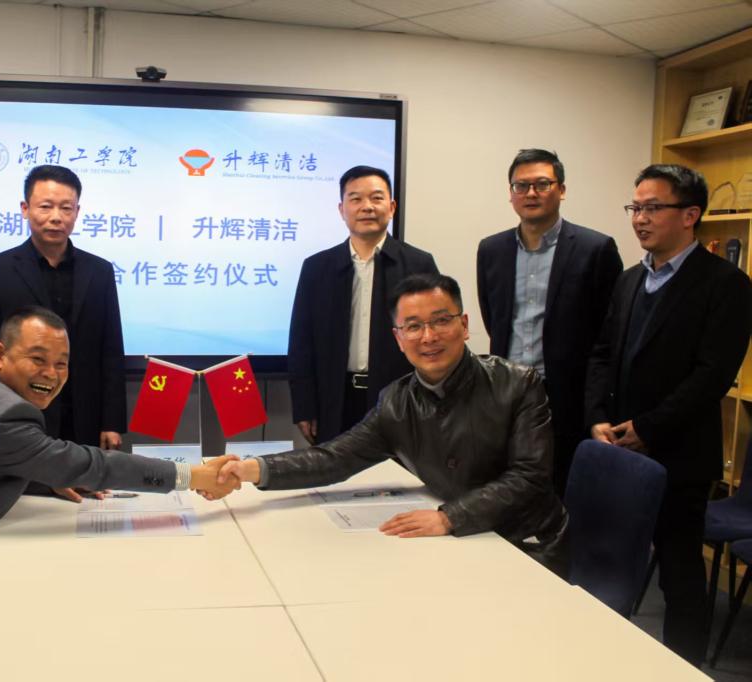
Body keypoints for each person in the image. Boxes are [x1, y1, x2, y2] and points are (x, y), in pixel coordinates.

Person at [0, 307, 240, 651]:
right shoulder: (3, 416)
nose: (51, 374)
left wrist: (44, 475)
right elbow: (92, 465)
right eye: (38, 359)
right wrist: (192, 475)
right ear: (0, 355)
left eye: (62, 363)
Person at [225, 273, 567, 574]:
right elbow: (335, 458)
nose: (428, 336)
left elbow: (529, 476)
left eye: (441, 321)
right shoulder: (397, 401)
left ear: (463, 326)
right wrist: (249, 469)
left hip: (526, 542)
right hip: (458, 544)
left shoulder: (517, 384)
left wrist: (450, 517)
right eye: (413, 326)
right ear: (398, 338)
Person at [586, 164, 752, 666]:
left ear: (690, 214)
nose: (639, 218)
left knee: (679, 577)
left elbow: (711, 376)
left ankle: (682, 668)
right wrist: (597, 416)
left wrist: (649, 427)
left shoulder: (726, 283)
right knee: (611, 567)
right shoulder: (630, 280)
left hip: (678, 456)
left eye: (653, 208)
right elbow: (602, 353)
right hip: (618, 452)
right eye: (635, 207)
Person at [477, 149, 622, 495]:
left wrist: (597, 406)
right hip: (506, 392)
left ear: (562, 189)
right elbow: (494, 318)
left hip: (567, 397)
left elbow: (608, 334)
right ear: (510, 193)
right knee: (508, 486)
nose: (531, 193)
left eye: (542, 184)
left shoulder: (595, 248)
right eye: (521, 185)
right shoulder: (491, 249)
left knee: (562, 488)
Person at [0, 164, 125, 454]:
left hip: (83, 414)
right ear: (25, 209)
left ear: (77, 212)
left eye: (66, 208)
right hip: (15, 413)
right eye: (45, 206)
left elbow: (111, 350)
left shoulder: (99, 271)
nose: (56, 217)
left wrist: (111, 421)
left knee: (84, 481)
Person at [288, 165, 438, 445]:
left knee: (395, 472)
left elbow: (432, 339)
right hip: (335, 399)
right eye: (355, 199)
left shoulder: (418, 264)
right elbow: (301, 343)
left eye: (376, 198)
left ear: (391, 207)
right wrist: (304, 406)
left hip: (400, 400)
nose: (367, 207)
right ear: (342, 209)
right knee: (334, 471)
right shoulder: (317, 268)